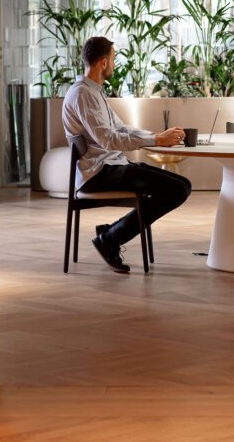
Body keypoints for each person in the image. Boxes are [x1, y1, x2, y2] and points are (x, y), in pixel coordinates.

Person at [62, 36, 191, 273]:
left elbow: (119, 128)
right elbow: (109, 139)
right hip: (100, 174)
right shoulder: (83, 95)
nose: (114, 64)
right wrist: (156, 140)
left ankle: (111, 233)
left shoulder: (93, 92)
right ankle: (110, 238)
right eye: (112, 59)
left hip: (111, 166)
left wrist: (156, 136)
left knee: (182, 185)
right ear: (102, 62)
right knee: (179, 189)